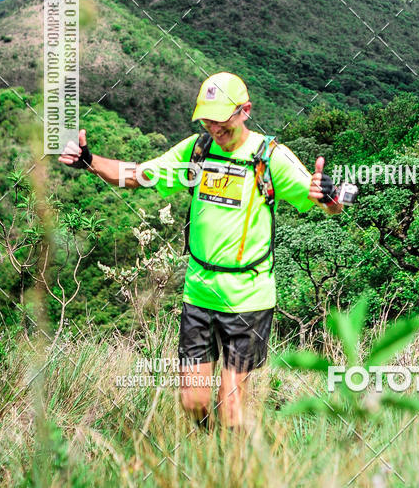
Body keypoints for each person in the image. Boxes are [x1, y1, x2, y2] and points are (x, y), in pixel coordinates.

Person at [59, 72, 343, 429]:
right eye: (208, 119)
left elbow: (325, 202)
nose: (214, 127)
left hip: (249, 299)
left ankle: (238, 469)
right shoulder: (197, 152)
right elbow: (135, 175)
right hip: (199, 293)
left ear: (245, 111)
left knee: (231, 407)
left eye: (221, 119)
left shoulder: (270, 158)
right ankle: (212, 450)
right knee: (193, 401)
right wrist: (89, 160)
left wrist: (330, 195)